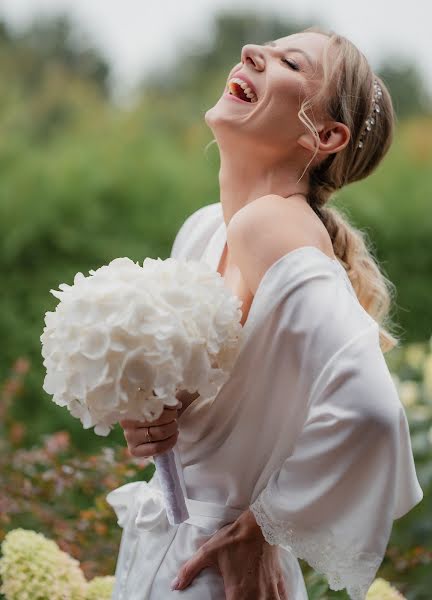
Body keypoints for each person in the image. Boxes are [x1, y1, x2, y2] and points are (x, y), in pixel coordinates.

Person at [106, 26, 423, 600]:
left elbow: (373, 412)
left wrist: (264, 528)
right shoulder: (208, 227)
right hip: (164, 551)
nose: (254, 51)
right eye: (267, 48)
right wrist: (154, 422)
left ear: (324, 135)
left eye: (290, 63)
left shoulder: (270, 225)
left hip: (214, 574)